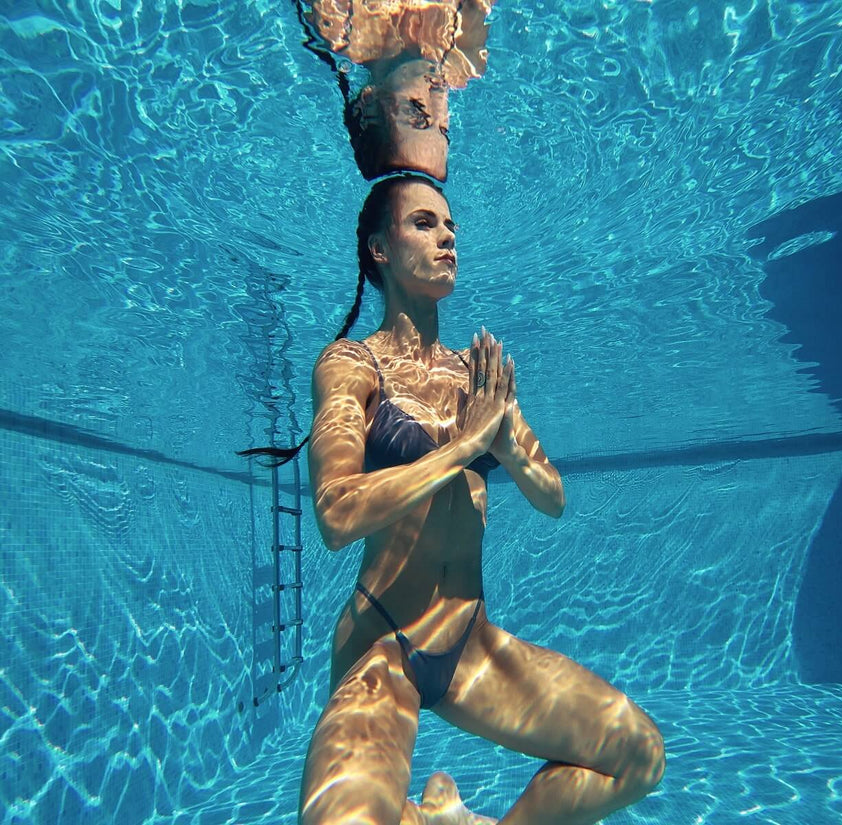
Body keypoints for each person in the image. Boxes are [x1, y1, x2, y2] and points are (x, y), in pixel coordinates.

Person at [249, 173, 665, 824]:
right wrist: (464, 447)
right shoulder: (353, 364)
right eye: (424, 223)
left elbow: (553, 497)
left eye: (450, 226)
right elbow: (336, 512)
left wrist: (507, 447)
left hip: (470, 642)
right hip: (384, 645)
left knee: (638, 756)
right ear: (380, 248)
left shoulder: (479, 378)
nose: (447, 236)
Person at [304, 0, 495, 182]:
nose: (439, 101)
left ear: (369, 100)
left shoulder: (340, 29)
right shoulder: (465, 58)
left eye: (417, 113)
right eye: (443, 129)